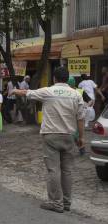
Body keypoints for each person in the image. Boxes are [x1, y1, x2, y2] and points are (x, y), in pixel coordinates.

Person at [12, 67, 85, 213]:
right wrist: (81, 137)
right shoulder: (76, 95)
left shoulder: (48, 91)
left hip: (51, 135)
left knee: (53, 170)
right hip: (69, 136)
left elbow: (27, 93)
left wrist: (14, 91)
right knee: (67, 171)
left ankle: (55, 203)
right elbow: (81, 118)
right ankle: (66, 202)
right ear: (67, 78)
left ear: (54, 78)